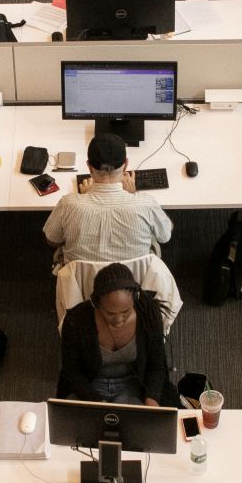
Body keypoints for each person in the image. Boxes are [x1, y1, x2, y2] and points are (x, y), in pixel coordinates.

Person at [42, 134, 174, 263]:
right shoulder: (145, 203)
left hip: (80, 281)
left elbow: (52, 240)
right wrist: (133, 195)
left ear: (89, 166)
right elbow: (165, 236)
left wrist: (84, 198)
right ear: (126, 164)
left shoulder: (68, 204)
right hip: (133, 281)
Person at [58, 263, 177, 406]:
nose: (119, 320)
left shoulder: (148, 314)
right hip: (89, 386)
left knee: (140, 426)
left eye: (126, 311)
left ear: (135, 298)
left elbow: (157, 366)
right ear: (96, 303)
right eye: (110, 313)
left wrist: (152, 398)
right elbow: (72, 372)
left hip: (132, 385)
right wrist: (97, 402)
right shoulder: (76, 320)